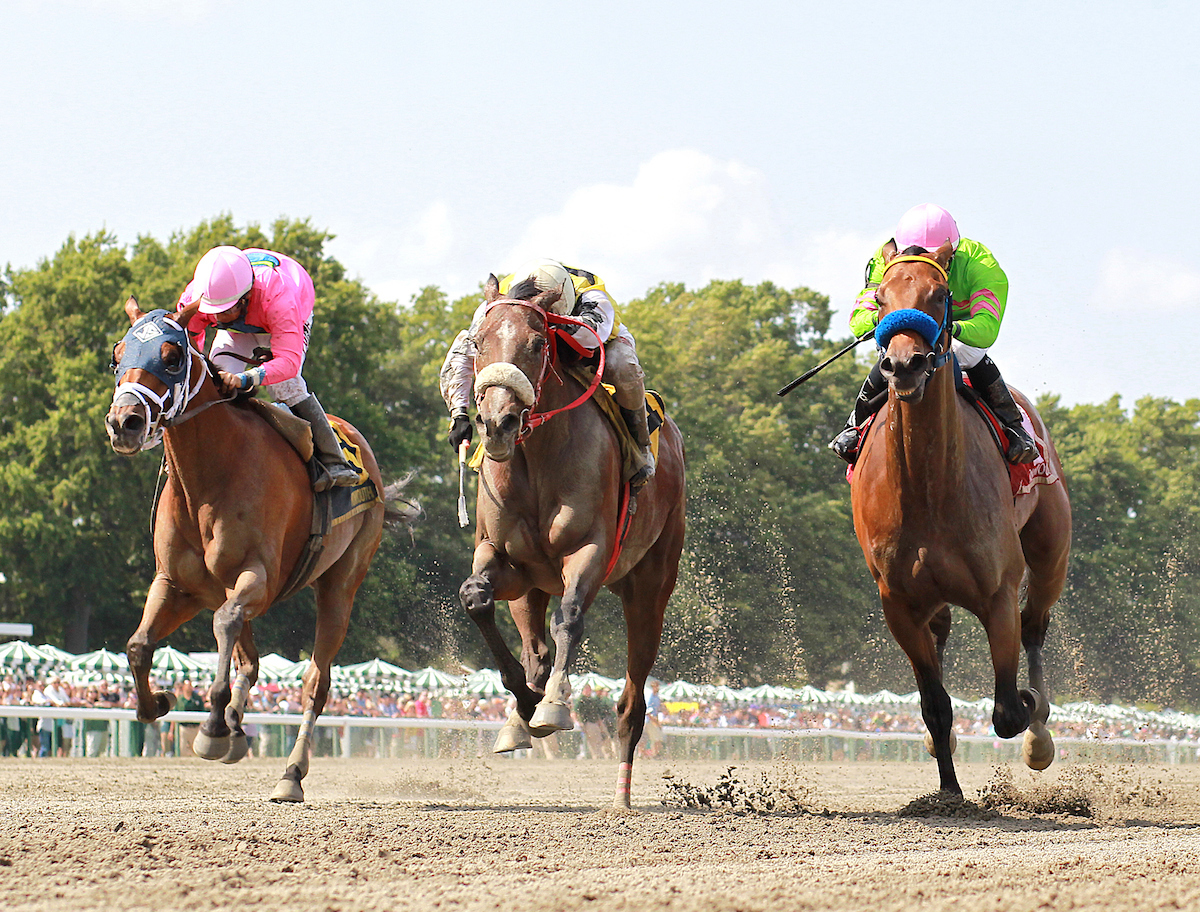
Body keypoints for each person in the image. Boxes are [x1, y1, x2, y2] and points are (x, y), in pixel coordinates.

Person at [829, 204, 1038, 465]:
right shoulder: (885, 260)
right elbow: (859, 320)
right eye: (912, 255)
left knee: (964, 353)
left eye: (931, 257)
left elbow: (986, 330)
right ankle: (855, 425)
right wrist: (891, 319)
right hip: (905, 330)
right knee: (894, 354)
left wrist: (950, 328)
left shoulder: (980, 263)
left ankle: (1014, 426)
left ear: (951, 253)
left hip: (958, 330)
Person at [439, 259, 656, 489]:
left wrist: (544, 323)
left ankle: (640, 445)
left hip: (595, 343)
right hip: (530, 340)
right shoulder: (497, 302)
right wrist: (459, 414)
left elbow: (591, 335)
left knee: (622, 367)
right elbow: (462, 353)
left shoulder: (593, 296)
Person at [176, 245, 358, 490]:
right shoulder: (196, 298)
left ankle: (333, 459)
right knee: (214, 383)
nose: (216, 318)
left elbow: (289, 363)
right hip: (240, 329)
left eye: (225, 310)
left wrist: (248, 378)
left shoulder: (280, 300)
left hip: (284, 319)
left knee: (285, 387)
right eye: (213, 312)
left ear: (246, 296)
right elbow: (190, 343)